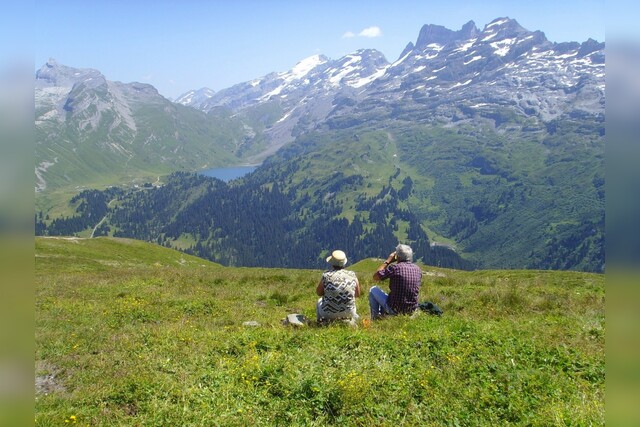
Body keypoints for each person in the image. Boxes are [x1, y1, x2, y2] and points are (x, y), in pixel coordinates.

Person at [369, 244, 422, 320]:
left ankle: (375, 319)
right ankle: (384, 315)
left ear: (397, 256)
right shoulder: (418, 269)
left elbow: (376, 277)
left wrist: (388, 261)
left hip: (395, 309)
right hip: (411, 311)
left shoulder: (395, 268)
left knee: (373, 289)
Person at [316, 250, 361, 323]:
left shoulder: (326, 276)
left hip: (328, 313)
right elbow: (357, 294)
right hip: (349, 312)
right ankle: (349, 321)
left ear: (332, 263)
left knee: (319, 301)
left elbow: (319, 293)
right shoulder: (352, 275)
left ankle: (320, 322)